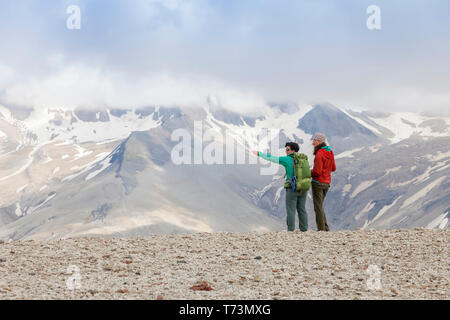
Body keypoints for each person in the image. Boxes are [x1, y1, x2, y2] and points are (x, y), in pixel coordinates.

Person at [252, 142, 308, 232]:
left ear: (293, 150)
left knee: (291, 209)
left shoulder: (287, 159)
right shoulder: (304, 159)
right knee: (302, 209)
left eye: (287, 149)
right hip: (304, 187)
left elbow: (272, 158)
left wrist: (259, 153)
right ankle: (304, 229)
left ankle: (291, 230)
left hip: (292, 187)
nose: (286, 151)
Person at [311, 133, 336, 231]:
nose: (313, 142)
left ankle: (321, 229)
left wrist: (308, 172)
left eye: (314, 140)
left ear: (319, 141)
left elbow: (317, 171)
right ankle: (325, 228)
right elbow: (333, 168)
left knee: (318, 207)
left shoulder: (319, 153)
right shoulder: (330, 152)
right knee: (320, 206)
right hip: (327, 182)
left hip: (318, 183)